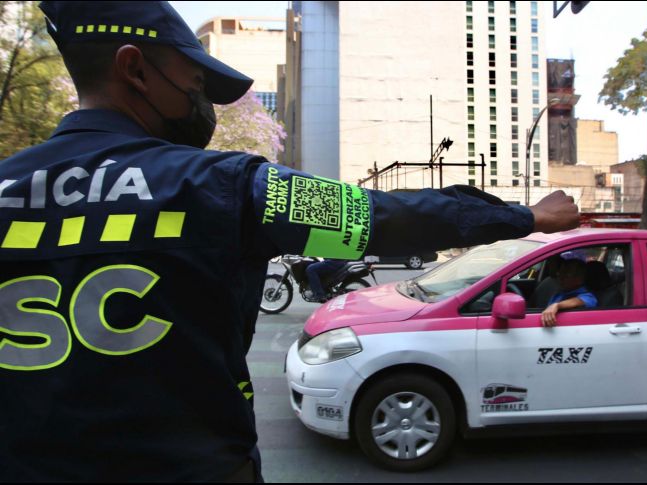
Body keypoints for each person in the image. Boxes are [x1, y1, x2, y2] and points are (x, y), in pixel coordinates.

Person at [0, 1, 579, 481]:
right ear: (134, 69)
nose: (199, 104)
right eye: (196, 84)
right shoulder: (223, 186)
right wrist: (523, 215)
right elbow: (384, 216)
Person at [541, 258, 597, 328]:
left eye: (566, 275)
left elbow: (579, 301)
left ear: (579, 279)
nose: (560, 277)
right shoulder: (560, 293)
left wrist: (557, 305)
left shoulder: (589, 297)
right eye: (560, 273)